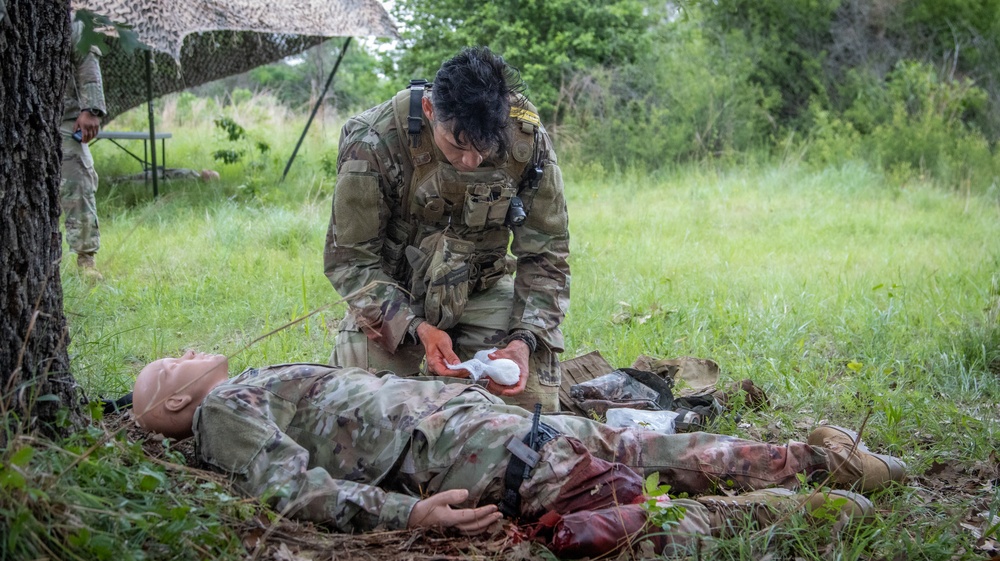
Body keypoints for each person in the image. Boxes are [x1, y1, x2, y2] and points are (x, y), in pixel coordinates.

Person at [132, 351, 907, 555]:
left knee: (643, 452)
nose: (192, 352)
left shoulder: (254, 386)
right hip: (487, 454)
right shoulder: (223, 412)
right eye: (176, 361)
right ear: (175, 401)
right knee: (630, 491)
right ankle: (801, 492)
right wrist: (411, 512)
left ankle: (815, 469)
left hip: (497, 431)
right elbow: (291, 485)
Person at [323, 47, 570, 412]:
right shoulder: (374, 142)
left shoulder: (525, 139)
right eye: (458, 145)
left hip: (481, 290)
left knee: (528, 419)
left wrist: (523, 340)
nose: (471, 162)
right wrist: (417, 328)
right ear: (429, 110)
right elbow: (350, 260)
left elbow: (547, 251)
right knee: (361, 412)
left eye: (484, 148)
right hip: (397, 295)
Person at [61, 15, 107, 280]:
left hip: (62, 117)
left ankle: (85, 260)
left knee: (79, 180)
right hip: (13, 121)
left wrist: (91, 109)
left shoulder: (62, 17)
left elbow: (86, 56)